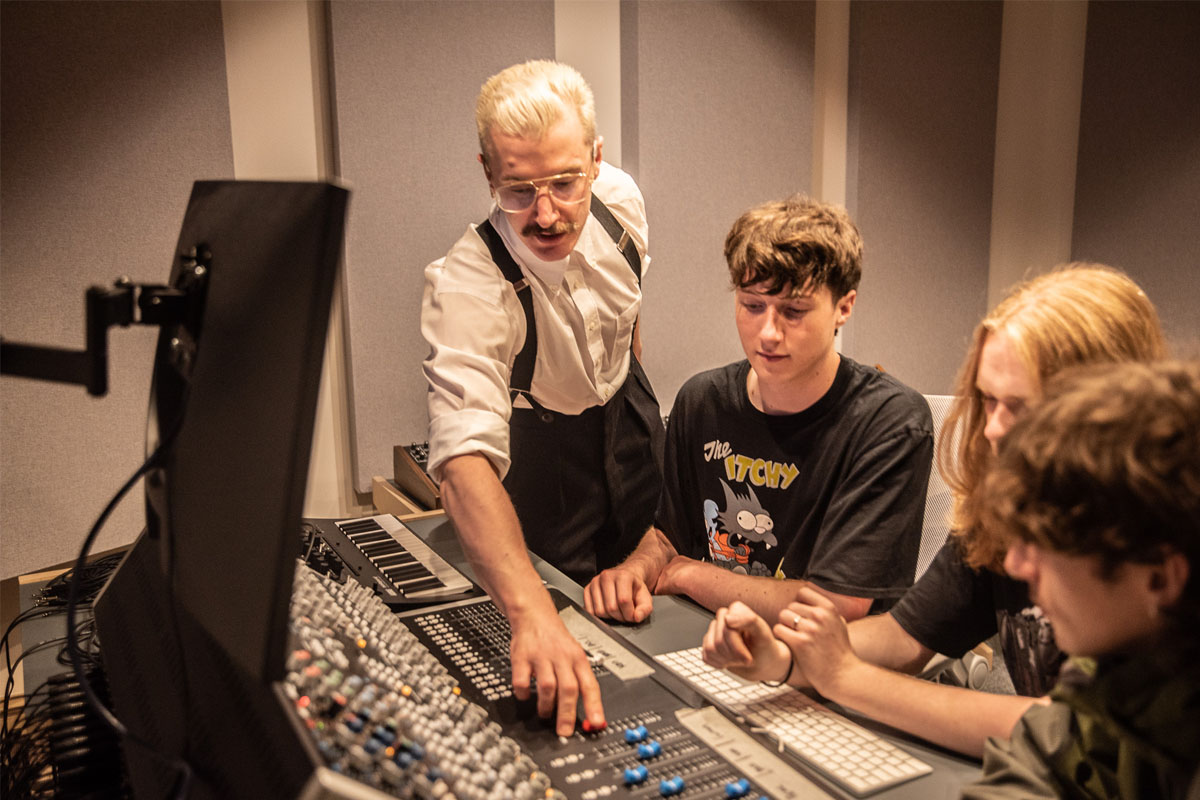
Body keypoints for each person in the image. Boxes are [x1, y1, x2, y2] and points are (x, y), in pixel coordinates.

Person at [700, 264, 1167, 758]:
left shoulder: (1157, 543)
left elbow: (1074, 730)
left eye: (1022, 408)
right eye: (988, 402)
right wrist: (788, 661)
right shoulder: (1006, 507)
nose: (992, 430)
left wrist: (845, 678)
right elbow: (907, 635)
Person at [420, 60, 664, 735]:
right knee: (565, 623)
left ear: (596, 159)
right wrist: (532, 614)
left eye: (564, 181)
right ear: (486, 173)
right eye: (519, 190)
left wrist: (628, 401)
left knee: (653, 604)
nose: (547, 213)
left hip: (630, 412)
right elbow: (463, 460)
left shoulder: (623, 201)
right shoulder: (466, 283)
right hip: (544, 455)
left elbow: (630, 315)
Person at [584, 195, 933, 628]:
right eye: (752, 306)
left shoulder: (890, 423)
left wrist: (694, 575)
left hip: (823, 669)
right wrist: (634, 572)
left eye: (794, 311)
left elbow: (838, 603)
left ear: (844, 306)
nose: (768, 333)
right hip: (714, 642)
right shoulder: (701, 401)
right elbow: (668, 538)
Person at [964, 360, 1200, 799]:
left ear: (1160, 578)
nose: (1015, 564)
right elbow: (1034, 762)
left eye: (1044, 544)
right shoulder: (1113, 665)